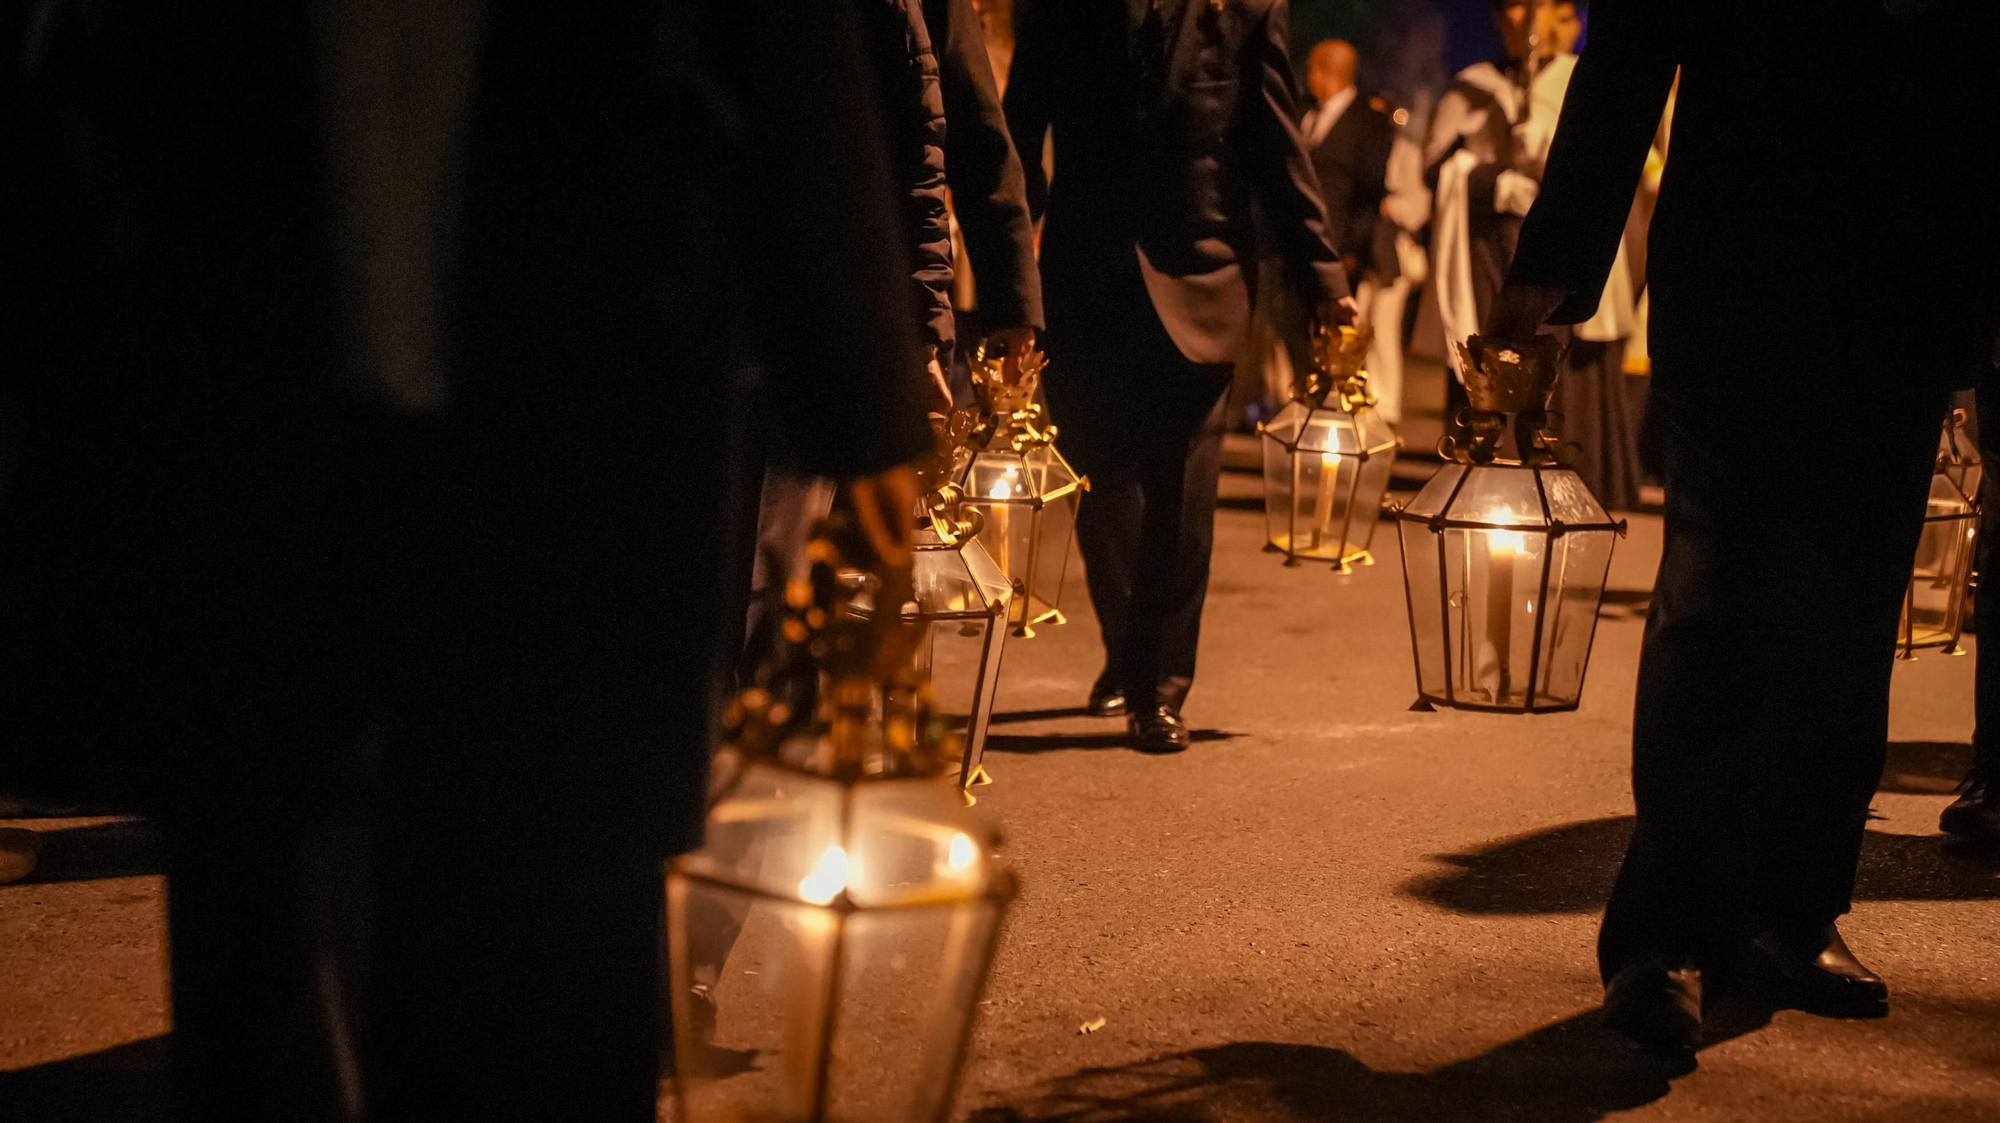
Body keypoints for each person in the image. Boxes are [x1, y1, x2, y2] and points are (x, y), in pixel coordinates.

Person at [5, 5, 934, 1122]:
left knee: (552, 913)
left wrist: (860, 394)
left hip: (575, 352)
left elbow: (790, 48)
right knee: (272, 916)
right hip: (242, 341)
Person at [1490, 0, 2000, 1055]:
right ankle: (1663, 933)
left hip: (1903, 278)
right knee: (1713, 592)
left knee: (1849, 612)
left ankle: (1791, 911)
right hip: (1740, 262)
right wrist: (1556, 259)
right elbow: (1631, 41)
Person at [1005, 0, 1353, 753]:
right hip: (1083, 283)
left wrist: (1326, 282)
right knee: (1099, 489)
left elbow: (1276, 147)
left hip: (1206, 281)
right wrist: (1008, 288)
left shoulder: (1248, 9)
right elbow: (1017, 136)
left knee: (1184, 495)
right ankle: (1131, 651)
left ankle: (1158, 685)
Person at [736, 0, 1046, 681]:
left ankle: (775, 740)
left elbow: (964, 138)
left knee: (796, 558)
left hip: (847, 308)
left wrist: (1002, 307)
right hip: (726, 294)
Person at [1428, 0, 1643, 510]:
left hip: (1559, 233)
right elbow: (1434, 166)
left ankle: (1570, 478)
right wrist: (1483, 178)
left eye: (1537, 8)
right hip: (1490, 246)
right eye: (1514, 9)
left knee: (1562, 349)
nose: (1524, 21)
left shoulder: (1573, 75)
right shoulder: (1476, 84)